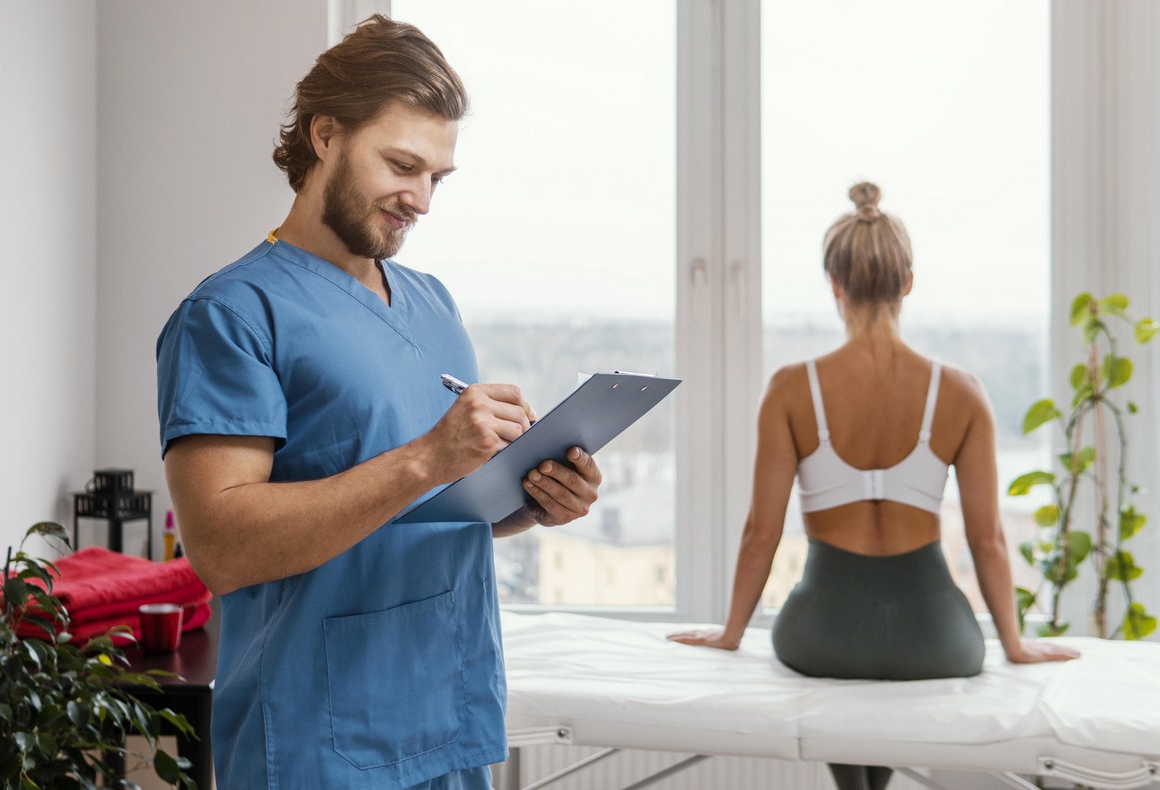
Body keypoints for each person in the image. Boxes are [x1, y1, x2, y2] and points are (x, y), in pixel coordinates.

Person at [156, 16, 601, 790]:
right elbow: (221, 548)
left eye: (438, 177)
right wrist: (428, 453)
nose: (421, 199)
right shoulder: (231, 314)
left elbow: (422, 512)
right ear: (326, 134)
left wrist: (530, 501)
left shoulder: (431, 303)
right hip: (314, 736)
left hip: (447, 713)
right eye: (402, 165)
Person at [668, 182, 1078, 790]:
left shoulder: (791, 389)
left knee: (847, 675)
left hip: (821, 633)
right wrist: (1014, 644)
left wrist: (731, 632)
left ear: (834, 284)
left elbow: (762, 531)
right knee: (894, 678)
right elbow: (988, 539)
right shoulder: (961, 393)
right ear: (908, 282)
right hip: (936, 638)